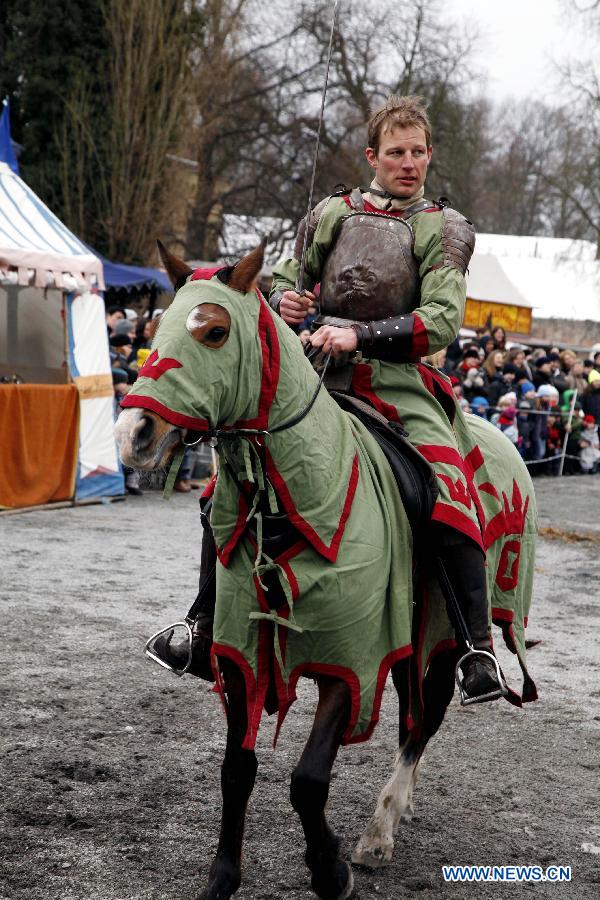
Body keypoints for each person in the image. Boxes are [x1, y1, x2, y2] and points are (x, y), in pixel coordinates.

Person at [153, 94, 506, 702]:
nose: (409, 163)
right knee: (228, 481)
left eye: (418, 152)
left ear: (429, 156)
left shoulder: (444, 228)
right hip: (318, 375)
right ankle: (202, 624)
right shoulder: (332, 213)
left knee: (450, 488)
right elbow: (293, 276)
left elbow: (442, 320)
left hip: (399, 385)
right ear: (373, 155)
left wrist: (359, 333)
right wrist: (286, 298)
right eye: (396, 152)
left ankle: (477, 650)